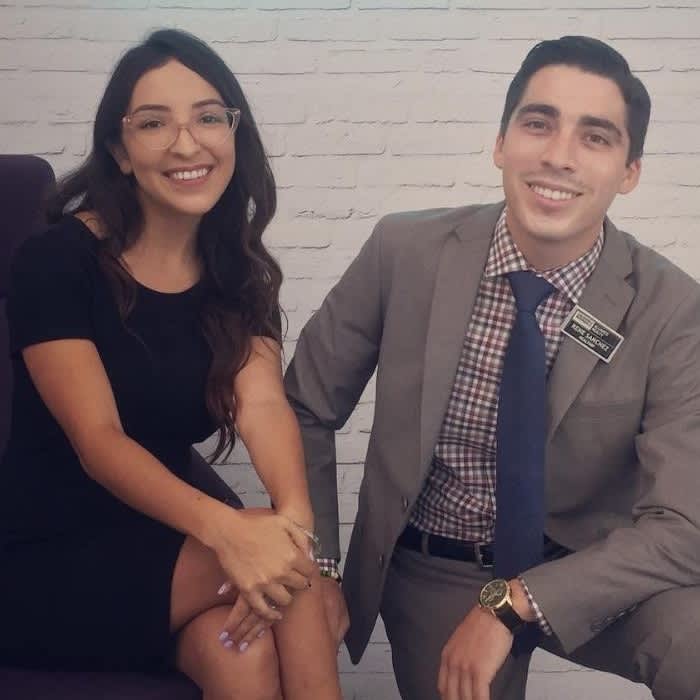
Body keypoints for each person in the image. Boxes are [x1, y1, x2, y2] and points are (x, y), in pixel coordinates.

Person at [285, 35, 700, 700]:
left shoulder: (675, 308)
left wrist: (518, 601)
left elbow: (685, 526)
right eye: (538, 124)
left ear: (629, 171)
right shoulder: (403, 251)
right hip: (441, 567)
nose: (559, 155)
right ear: (501, 142)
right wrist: (321, 567)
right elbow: (305, 407)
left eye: (595, 137)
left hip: (587, 567)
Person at [0, 28, 342, 700]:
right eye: (155, 123)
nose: (188, 144)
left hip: (165, 539)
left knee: (243, 652)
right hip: (43, 554)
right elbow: (98, 442)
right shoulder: (56, 261)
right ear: (120, 152)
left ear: (234, 134)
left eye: (209, 117)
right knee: (294, 576)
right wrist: (236, 535)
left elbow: (262, 405)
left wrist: (295, 519)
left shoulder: (237, 275)